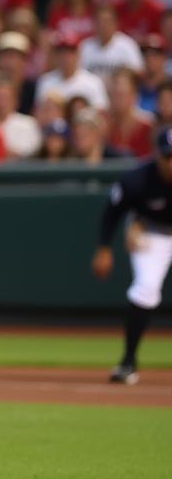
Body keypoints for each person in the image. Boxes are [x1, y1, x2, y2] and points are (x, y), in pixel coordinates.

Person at [92, 127, 172, 384]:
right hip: (152, 234)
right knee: (146, 288)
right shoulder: (137, 179)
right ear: (157, 155)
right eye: (168, 157)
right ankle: (128, 363)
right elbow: (113, 212)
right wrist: (104, 248)